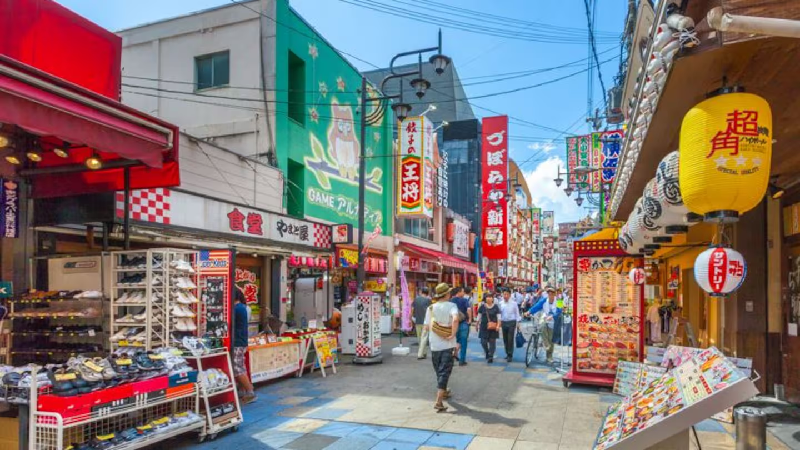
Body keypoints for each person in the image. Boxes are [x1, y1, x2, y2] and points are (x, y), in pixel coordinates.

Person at [425, 283, 459, 412]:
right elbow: (455, 319)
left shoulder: (431, 308)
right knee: (445, 371)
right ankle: (439, 401)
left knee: (439, 370)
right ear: (446, 294)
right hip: (447, 344)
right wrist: (452, 334)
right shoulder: (452, 306)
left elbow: (426, 326)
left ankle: (444, 391)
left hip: (434, 344)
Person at [233, 288, 256, 404]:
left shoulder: (236, 309)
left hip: (237, 341)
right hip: (241, 341)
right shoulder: (243, 308)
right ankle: (244, 390)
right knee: (240, 366)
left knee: (237, 368)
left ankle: (250, 392)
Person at [498, 287, 521, 362]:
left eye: (507, 294)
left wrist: (518, 324)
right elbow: (499, 314)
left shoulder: (514, 304)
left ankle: (510, 354)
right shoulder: (500, 303)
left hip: (512, 322)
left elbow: (517, 314)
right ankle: (507, 353)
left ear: (510, 295)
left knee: (510, 339)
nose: (505, 296)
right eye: (504, 294)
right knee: (505, 339)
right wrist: (499, 323)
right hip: (504, 322)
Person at [451, 286, 472, 366]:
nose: (464, 293)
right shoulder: (464, 300)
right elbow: (469, 310)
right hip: (463, 323)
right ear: (459, 292)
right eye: (463, 291)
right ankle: (462, 360)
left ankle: (452, 357)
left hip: (453, 323)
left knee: (453, 340)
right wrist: (469, 320)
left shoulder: (451, 301)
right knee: (463, 341)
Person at [477, 293, 501, 363]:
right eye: (487, 297)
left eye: (490, 297)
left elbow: (499, 317)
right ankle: (487, 351)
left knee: (492, 342)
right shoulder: (482, 307)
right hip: (483, 327)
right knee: (483, 342)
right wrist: (477, 324)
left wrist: (498, 326)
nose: (489, 298)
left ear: (493, 298)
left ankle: (491, 356)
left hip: (493, 327)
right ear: (485, 298)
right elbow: (479, 316)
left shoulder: (496, 307)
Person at [540, 287, 561, 364]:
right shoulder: (544, 300)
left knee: (551, 339)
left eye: (552, 294)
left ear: (554, 294)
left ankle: (549, 356)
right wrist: (529, 311)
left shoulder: (559, 301)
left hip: (554, 321)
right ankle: (546, 344)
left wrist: (552, 316)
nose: (550, 295)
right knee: (541, 326)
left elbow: (559, 311)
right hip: (545, 318)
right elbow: (536, 306)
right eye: (549, 294)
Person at [413, 287, 432, 359]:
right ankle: (420, 354)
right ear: (428, 293)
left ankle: (423, 353)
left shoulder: (416, 299)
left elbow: (412, 309)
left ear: (421, 292)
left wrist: (411, 318)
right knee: (424, 338)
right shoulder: (428, 300)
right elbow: (431, 311)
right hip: (425, 322)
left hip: (417, 320)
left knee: (419, 338)